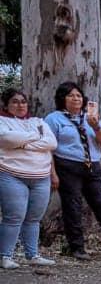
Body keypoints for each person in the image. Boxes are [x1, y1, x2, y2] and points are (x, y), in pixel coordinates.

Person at [43, 81, 101, 261]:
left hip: (92, 166)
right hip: (67, 166)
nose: (76, 98)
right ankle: (76, 247)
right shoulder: (53, 119)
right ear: (63, 99)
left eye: (78, 95)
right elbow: (48, 149)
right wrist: (52, 173)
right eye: (71, 95)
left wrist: (96, 126)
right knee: (73, 207)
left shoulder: (90, 117)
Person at [0, 88, 58, 269]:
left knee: (34, 218)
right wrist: (36, 137)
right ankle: (5, 256)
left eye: (23, 101)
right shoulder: (2, 121)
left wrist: (22, 143)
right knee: (14, 216)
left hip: (41, 176)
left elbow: (51, 143)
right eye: (15, 102)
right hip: (11, 174)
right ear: (6, 105)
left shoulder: (38, 121)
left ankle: (32, 254)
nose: (20, 105)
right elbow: (6, 139)